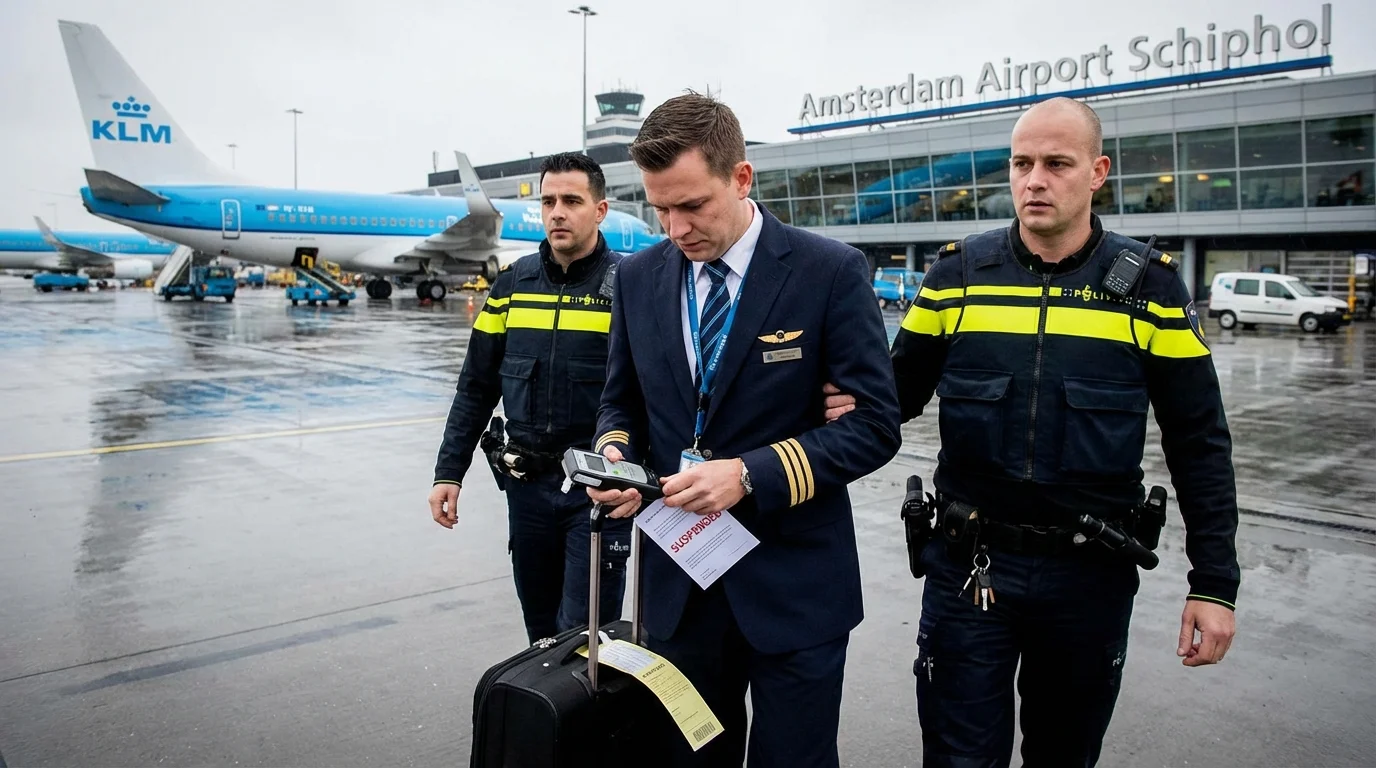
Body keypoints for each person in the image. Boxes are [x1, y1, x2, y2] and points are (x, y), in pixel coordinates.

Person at [829, 96, 1240, 766]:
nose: (1034, 181)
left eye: (1057, 164)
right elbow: (886, 401)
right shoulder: (957, 276)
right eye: (1022, 164)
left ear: (1098, 172)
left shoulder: (1153, 290)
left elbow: (1200, 443)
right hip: (969, 568)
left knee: (1064, 756)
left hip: (1090, 578)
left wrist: (1214, 584)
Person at [585, 93, 902, 768]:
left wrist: (749, 474)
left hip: (795, 586)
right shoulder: (637, 278)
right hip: (680, 586)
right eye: (660, 209)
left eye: (692, 205)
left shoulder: (828, 272)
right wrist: (615, 455)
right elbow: (621, 403)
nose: (676, 228)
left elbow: (876, 426)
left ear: (741, 178)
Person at [428, 152, 632, 645]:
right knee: (540, 638)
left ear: (600, 210)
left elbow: (650, 394)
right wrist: (449, 471)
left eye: (571, 201)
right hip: (527, 491)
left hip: (594, 493)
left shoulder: (629, 287)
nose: (557, 212)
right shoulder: (511, 286)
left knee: (584, 640)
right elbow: (475, 387)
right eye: (548, 202)